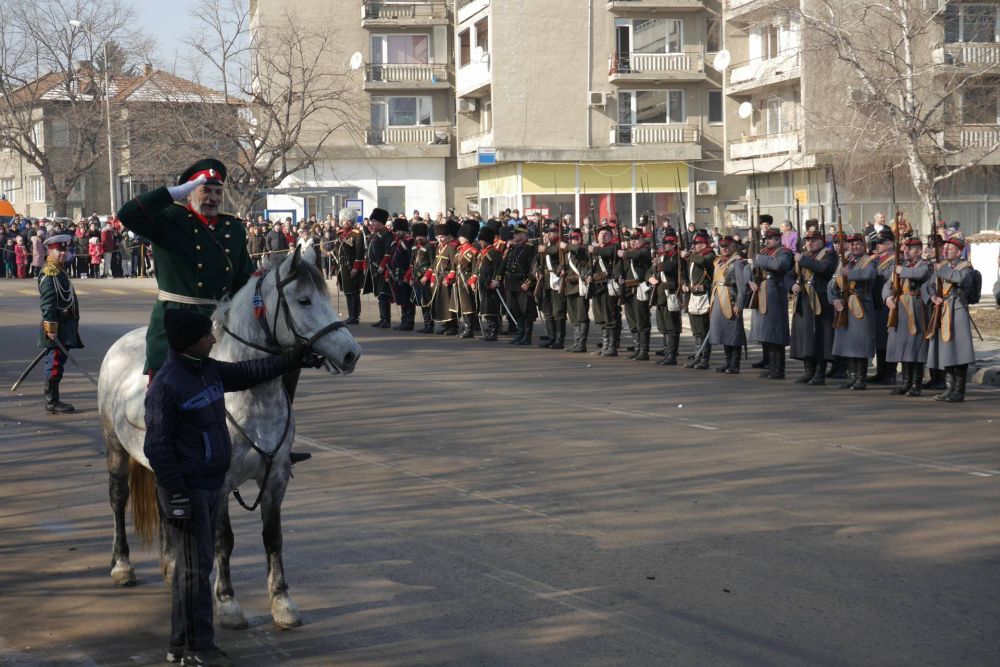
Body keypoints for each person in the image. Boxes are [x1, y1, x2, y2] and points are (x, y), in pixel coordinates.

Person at [144, 309, 322, 667]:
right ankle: (199, 648)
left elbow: (247, 373)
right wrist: (176, 494)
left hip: (211, 484)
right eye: (206, 337)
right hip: (189, 491)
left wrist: (292, 360)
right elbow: (157, 448)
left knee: (192, 569)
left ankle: (180, 645)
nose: (213, 340)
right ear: (188, 343)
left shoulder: (206, 370)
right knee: (196, 572)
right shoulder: (168, 384)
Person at [116, 159, 254, 378]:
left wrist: (254, 308)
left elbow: (245, 279)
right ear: (189, 193)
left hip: (219, 321)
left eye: (218, 192)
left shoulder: (233, 228)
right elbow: (127, 214)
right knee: (165, 387)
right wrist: (172, 193)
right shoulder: (170, 218)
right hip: (175, 320)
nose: (213, 198)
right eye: (205, 191)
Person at [925, 236, 975, 402]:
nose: (945, 250)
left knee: (959, 351)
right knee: (946, 350)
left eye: (949, 248)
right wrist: (933, 297)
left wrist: (942, 270)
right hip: (944, 310)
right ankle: (948, 388)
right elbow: (929, 286)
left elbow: (961, 279)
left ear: (959, 251)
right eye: (944, 248)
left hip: (958, 309)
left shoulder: (965, 267)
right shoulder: (944, 266)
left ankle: (958, 390)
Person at [37, 234, 83, 414]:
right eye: (59, 250)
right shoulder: (49, 273)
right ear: (50, 251)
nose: (63, 253)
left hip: (65, 326)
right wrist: (51, 329)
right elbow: (47, 304)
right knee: (54, 364)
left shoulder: (59, 270)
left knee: (58, 362)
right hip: (57, 327)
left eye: (65, 250)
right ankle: (52, 402)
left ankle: (53, 399)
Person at [884, 237, 932, 397]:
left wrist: (900, 271)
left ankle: (916, 384)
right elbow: (887, 285)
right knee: (904, 346)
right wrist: (887, 298)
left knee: (916, 347)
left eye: (909, 248)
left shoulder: (924, 265)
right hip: (901, 309)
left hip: (917, 308)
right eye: (904, 248)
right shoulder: (902, 266)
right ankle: (905, 382)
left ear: (919, 251)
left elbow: (920, 274)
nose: (905, 251)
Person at [829, 233, 877, 390]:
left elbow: (869, 274)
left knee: (860, 343)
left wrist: (850, 273)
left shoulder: (868, 260)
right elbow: (834, 282)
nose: (854, 247)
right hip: (846, 305)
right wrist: (834, 298)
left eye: (857, 244)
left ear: (864, 246)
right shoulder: (845, 261)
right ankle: (853, 377)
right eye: (851, 244)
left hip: (861, 304)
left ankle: (861, 379)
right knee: (849, 343)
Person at [790, 229, 837, 384]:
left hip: (820, 299)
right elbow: (790, 276)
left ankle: (819, 373)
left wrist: (802, 260)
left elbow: (824, 269)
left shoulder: (828, 254)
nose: (810, 243)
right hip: (803, 298)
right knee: (805, 336)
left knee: (820, 336)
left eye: (814, 240)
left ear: (821, 241)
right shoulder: (804, 256)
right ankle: (808, 371)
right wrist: (792, 285)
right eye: (808, 240)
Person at [748, 227, 794, 379]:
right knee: (767, 332)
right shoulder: (764, 252)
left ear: (778, 239)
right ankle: (771, 365)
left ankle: (778, 369)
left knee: (776, 332)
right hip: (763, 291)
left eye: (770, 238)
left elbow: (779, 265)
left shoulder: (784, 252)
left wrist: (760, 260)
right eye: (766, 239)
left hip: (775, 292)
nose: (767, 241)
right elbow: (756, 269)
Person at [705, 236, 748, 373]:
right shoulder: (718, 261)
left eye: (727, 246)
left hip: (731, 300)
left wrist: (739, 304)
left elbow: (742, 287)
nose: (724, 248)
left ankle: (735, 364)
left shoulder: (737, 263)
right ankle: (728, 361)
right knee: (724, 332)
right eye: (722, 246)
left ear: (733, 247)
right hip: (718, 299)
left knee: (733, 333)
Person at [646, 230, 685, 366]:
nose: (666, 245)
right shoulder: (662, 257)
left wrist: (657, 263)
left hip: (671, 295)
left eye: (669, 243)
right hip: (660, 296)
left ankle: (672, 356)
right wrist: (650, 278)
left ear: (674, 244)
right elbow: (649, 272)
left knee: (672, 327)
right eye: (665, 242)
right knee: (663, 327)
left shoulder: (677, 257)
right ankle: (667, 353)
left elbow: (670, 267)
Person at [495, 223, 537, 345]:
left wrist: (528, 283)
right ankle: (520, 334)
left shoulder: (530, 248)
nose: (514, 235)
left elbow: (533, 268)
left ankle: (527, 336)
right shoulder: (512, 249)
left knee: (526, 312)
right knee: (515, 311)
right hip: (511, 284)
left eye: (517, 234)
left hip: (522, 284)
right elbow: (504, 266)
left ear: (524, 235)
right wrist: (497, 279)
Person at [682, 232, 716, 369]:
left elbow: (703, 262)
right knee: (696, 330)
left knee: (703, 329)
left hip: (704, 295)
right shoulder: (694, 257)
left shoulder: (709, 255)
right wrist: (684, 282)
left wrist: (688, 255)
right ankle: (698, 355)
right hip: (693, 295)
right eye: (693, 244)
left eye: (696, 244)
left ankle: (705, 359)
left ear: (703, 244)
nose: (694, 246)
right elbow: (686, 273)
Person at [869, 230, 897, 384]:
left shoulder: (894, 260)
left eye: (881, 243)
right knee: (879, 338)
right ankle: (881, 371)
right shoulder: (878, 259)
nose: (877, 246)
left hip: (888, 302)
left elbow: (890, 278)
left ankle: (890, 373)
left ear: (890, 244)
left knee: (888, 339)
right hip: (877, 301)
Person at [620, 230, 653, 360]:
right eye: (631, 239)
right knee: (632, 321)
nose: (633, 241)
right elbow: (620, 267)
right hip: (628, 290)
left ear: (642, 240)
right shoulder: (629, 253)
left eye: (636, 239)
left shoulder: (644, 251)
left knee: (642, 321)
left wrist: (625, 253)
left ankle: (644, 351)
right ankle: (638, 348)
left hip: (640, 289)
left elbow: (637, 255)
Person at [536, 221, 568, 349]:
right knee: (548, 311)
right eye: (547, 232)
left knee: (558, 311)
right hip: (546, 280)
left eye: (551, 232)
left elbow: (556, 251)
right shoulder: (545, 245)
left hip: (557, 280)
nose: (548, 234)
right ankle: (551, 337)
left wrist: (546, 249)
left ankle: (559, 339)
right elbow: (537, 261)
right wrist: (537, 272)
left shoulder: (561, 244)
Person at [333, 208, 365, 325]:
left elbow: (360, 252)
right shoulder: (339, 234)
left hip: (352, 266)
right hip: (343, 266)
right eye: (344, 220)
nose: (346, 222)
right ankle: (351, 314)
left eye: (348, 221)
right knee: (347, 291)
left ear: (352, 221)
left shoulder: (357, 234)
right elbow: (337, 251)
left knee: (354, 292)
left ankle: (355, 315)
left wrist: (356, 268)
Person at [562, 228, 592, 353]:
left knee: (582, 316)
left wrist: (567, 246)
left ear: (579, 239)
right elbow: (562, 266)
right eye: (570, 239)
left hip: (579, 287)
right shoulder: (568, 252)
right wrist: (560, 270)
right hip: (569, 287)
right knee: (574, 317)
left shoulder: (582, 249)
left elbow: (578, 250)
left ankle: (581, 344)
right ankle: (576, 342)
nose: (571, 241)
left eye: (574, 238)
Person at [364, 208, 394, 328]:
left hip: (383, 268)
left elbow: (388, 252)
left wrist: (382, 266)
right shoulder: (374, 234)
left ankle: (386, 320)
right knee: (380, 294)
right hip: (374, 268)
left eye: (374, 221)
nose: (372, 223)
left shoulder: (387, 234)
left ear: (381, 222)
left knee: (384, 294)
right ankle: (382, 318)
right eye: (371, 221)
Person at [386, 217, 415, 331]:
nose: (398, 232)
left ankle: (409, 322)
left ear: (405, 230)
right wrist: (388, 272)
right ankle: (404, 321)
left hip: (405, 273)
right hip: (396, 273)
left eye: (400, 230)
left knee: (407, 298)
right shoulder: (395, 242)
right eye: (396, 230)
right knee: (401, 298)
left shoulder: (409, 241)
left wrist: (407, 275)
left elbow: (410, 259)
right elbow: (391, 258)